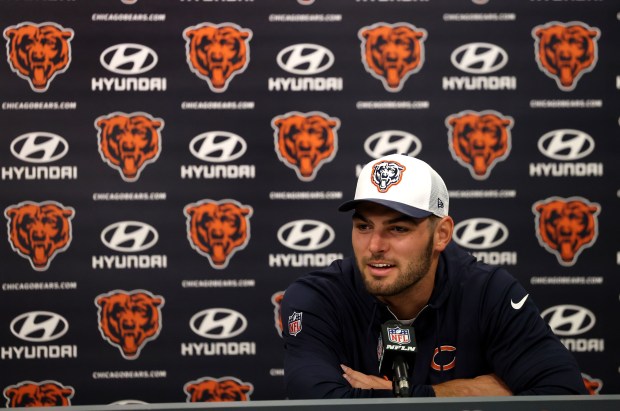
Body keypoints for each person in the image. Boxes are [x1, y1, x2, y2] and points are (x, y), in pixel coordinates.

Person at [280, 153, 587, 398]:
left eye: (397, 229)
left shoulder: (488, 292)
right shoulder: (317, 298)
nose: (374, 246)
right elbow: (319, 403)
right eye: (364, 227)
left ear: (441, 234)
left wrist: (412, 395)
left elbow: (562, 394)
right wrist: (478, 391)